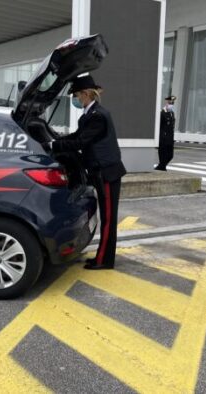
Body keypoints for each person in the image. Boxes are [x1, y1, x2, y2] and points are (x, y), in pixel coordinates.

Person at [47, 75, 126, 270]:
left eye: (76, 95)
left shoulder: (98, 116)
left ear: (85, 94)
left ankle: (104, 260)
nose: (76, 99)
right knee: (106, 217)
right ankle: (103, 257)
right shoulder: (89, 115)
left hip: (107, 173)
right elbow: (77, 136)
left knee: (108, 219)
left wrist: (54, 144)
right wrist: (57, 140)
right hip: (101, 172)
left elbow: (81, 142)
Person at [155, 95, 176, 171]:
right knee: (163, 156)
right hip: (163, 139)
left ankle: (161, 167)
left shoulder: (172, 113)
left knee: (170, 156)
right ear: (166, 103)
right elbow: (158, 127)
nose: (171, 105)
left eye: (172, 104)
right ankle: (162, 168)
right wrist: (159, 139)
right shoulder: (162, 113)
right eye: (170, 103)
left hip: (170, 139)